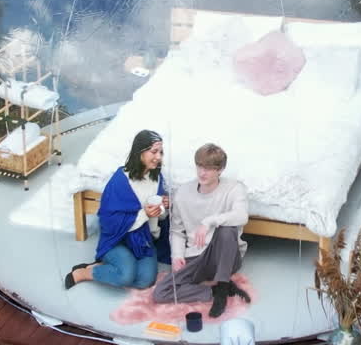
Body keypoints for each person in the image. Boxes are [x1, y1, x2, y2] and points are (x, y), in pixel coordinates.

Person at [153, 143, 252, 318]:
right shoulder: (183, 192)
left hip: (226, 257)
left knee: (227, 230)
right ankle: (213, 291)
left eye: (209, 168)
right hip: (197, 257)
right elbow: (176, 231)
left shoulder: (235, 188)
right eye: (199, 166)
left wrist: (209, 221)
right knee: (160, 293)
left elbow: (241, 216)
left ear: (220, 170)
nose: (202, 173)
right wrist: (177, 256)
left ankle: (222, 289)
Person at [65, 130, 172, 289]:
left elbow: (159, 219)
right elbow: (108, 220)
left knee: (145, 280)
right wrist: (144, 214)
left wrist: (163, 207)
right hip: (117, 238)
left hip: (142, 238)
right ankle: (84, 273)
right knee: (125, 276)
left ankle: (110, 266)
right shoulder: (120, 180)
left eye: (161, 152)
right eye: (154, 151)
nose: (158, 157)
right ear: (140, 152)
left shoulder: (156, 177)